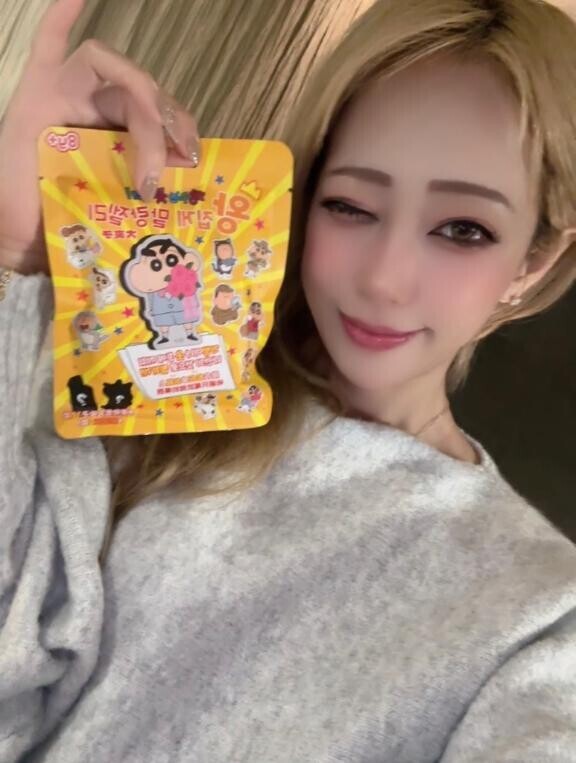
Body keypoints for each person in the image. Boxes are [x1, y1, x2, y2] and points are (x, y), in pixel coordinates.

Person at [2, 0, 576, 760]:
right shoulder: (152, 389)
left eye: (463, 229)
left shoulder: (540, 614)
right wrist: (11, 254)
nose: (385, 280)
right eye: (351, 206)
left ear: (534, 260)